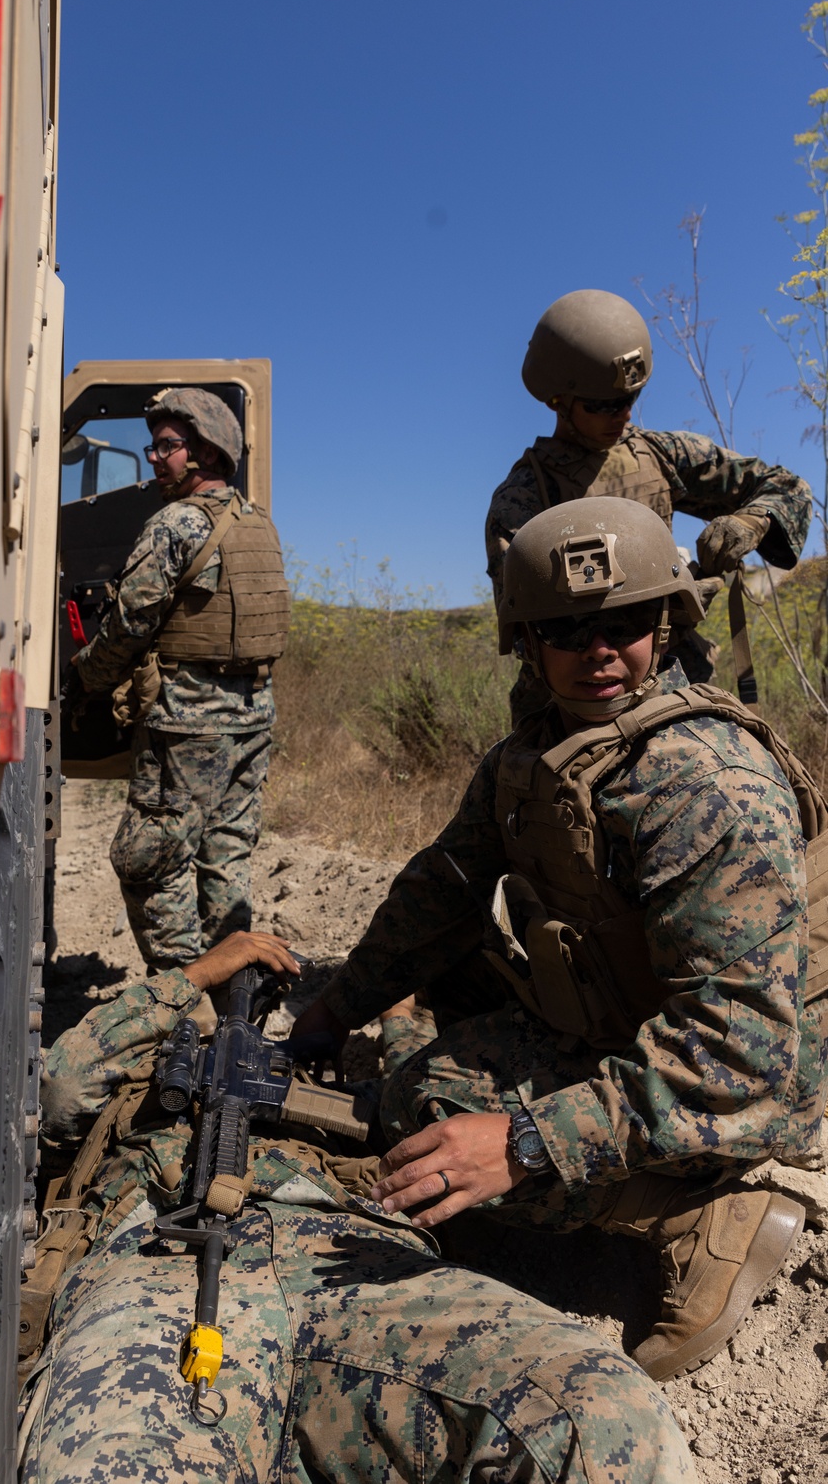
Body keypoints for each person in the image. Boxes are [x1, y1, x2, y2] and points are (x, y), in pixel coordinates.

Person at [294, 496, 826, 1385]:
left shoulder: (702, 785)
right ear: (527, 644)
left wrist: (523, 1141)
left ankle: (706, 1214)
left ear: (665, 622)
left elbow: (742, 1052)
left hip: (740, 1084)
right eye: (568, 628)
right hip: (634, 1024)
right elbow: (441, 894)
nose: (600, 651)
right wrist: (329, 1010)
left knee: (433, 1123)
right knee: (420, 1077)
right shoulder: (535, 754)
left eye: (625, 622)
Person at [18, 930, 697, 1484]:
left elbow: (426, 1097)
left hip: (356, 1261)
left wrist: (397, 1019)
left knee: (606, 1422)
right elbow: (61, 1083)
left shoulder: (338, 1097)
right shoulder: (135, 1096)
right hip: (164, 1260)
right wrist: (200, 972)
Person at [486, 289, 813, 720]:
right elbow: (530, 626)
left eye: (630, 400)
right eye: (604, 405)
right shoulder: (524, 495)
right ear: (557, 401)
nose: (622, 415)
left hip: (671, 682)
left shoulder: (661, 454)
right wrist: (670, 598)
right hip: (569, 703)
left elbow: (786, 486)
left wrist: (751, 522)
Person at [72, 387, 291, 971]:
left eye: (167, 446)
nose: (153, 457)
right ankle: (233, 989)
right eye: (154, 445)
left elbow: (129, 624)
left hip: (188, 726)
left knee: (147, 857)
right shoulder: (258, 524)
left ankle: (181, 993)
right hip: (252, 721)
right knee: (226, 854)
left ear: (208, 453)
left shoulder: (174, 524)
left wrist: (86, 678)